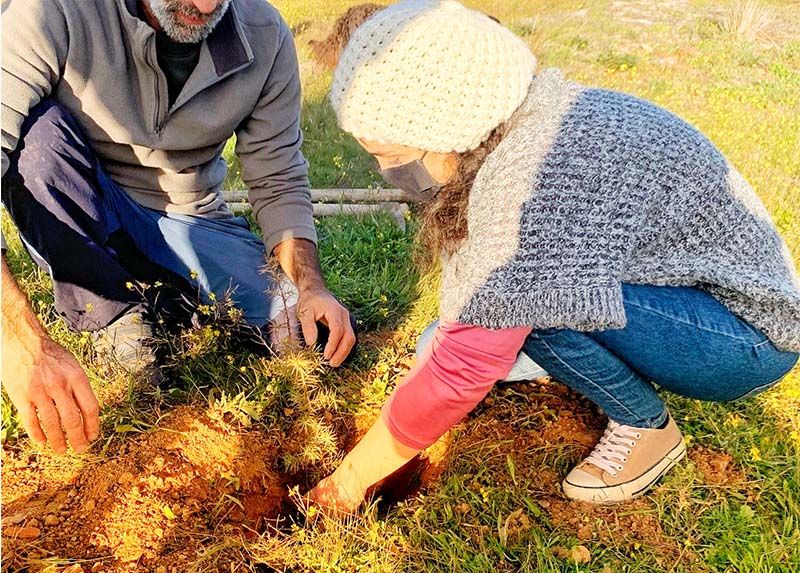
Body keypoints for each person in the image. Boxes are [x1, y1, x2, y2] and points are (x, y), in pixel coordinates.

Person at [309, 0, 800, 509]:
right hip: (710, 298)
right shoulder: (528, 116)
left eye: (390, 156)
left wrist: (347, 485)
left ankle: (647, 429)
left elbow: (463, 365)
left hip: (747, 340)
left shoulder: (533, 182)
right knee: (499, 313)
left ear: (444, 129)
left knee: (530, 306)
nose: (388, 171)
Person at [0, 0, 356, 456]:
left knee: (308, 338)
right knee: (37, 140)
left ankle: (163, 299)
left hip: (191, 220)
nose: (205, 6)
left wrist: (310, 286)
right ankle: (116, 318)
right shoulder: (52, 11)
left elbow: (278, 177)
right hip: (84, 205)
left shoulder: (263, 33)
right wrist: (19, 340)